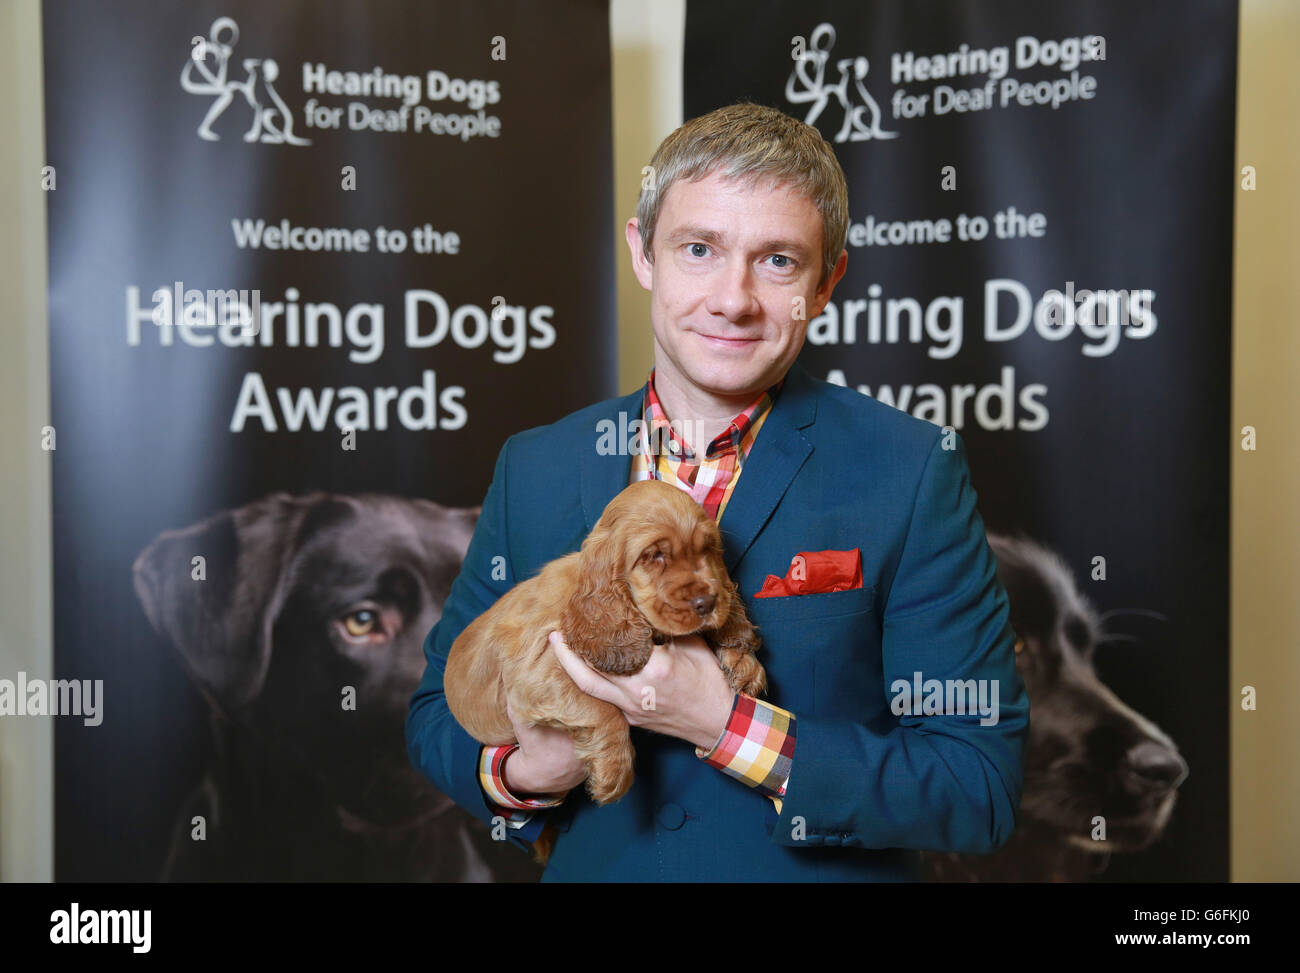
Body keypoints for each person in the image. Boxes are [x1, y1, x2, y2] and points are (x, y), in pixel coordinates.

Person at [406, 101, 1027, 882]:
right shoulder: (537, 465)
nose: (734, 299)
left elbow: (978, 786)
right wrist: (523, 772)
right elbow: (436, 712)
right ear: (643, 255)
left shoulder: (909, 469)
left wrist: (728, 723)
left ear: (828, 280)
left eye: (778, 261)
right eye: (698, 248)